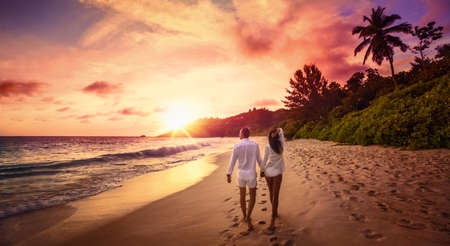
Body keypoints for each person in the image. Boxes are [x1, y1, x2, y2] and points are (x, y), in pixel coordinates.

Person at [227, 127, 264, 231]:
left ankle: (244, 216)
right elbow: (259, 159)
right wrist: (262, 170)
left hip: (241, 175)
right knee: (252, 196)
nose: (239, 135)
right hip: (251, 174)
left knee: (242, 196)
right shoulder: (255, 145)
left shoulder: (237, 146)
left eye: (239, 133)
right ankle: (248, 216)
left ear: (242, 134)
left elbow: (232, 161)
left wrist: (228, 174)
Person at [262, 128, 285, 231]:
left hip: (269, 171)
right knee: (274, 194)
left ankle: (274, 212)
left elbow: (264, 160)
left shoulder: (274, 145)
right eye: (273, 132)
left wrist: (262, 170)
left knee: (272, 194)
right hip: (275, 172)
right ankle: (273, 215)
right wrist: (278, 131)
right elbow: (265, 159)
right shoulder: (281, 145)